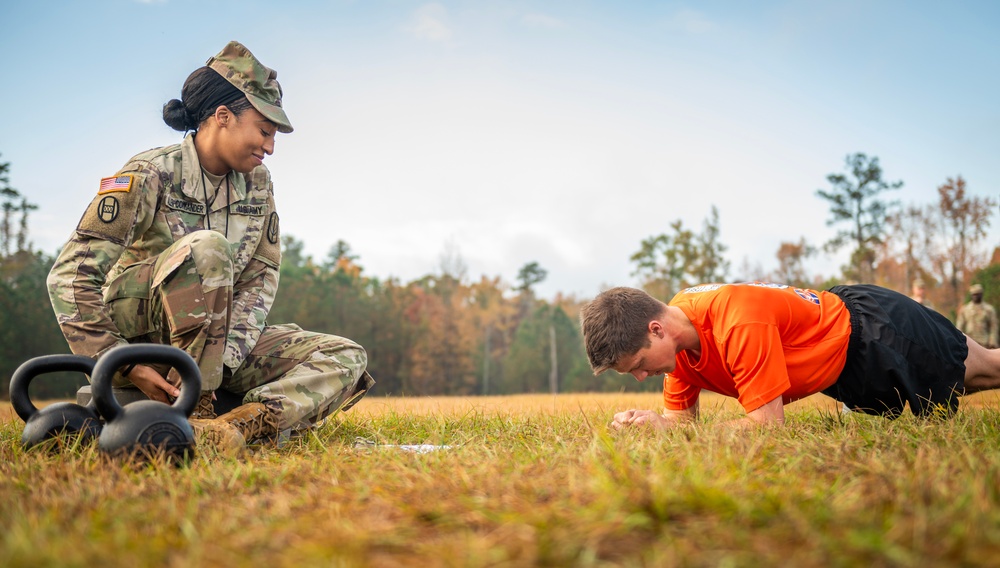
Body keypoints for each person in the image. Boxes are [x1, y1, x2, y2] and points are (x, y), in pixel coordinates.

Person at [47, 41, 374, 450]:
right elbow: (69, 278)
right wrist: (124, 363)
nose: (270, 147)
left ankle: (240, 426)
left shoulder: (258, 184)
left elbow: (260, 278)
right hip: (142, 339)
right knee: (208, 248)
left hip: (221, 343)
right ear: (223, 117)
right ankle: (195, 412)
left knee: (345, 354)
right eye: (264, 131)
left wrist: (224, 359)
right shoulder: (150, 173)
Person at [579, 282, 1000, 430]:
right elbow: (681, 423)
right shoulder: (678, 345)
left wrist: (678, 432)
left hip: (875, 329)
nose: (641, 377)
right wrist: (652, 424)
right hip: (842, 369)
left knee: (987, 372)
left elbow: (767, 427)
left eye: (638, 365)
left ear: (656, 330)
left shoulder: (736, 321)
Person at [956, 283, 998, 348]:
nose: (975, 296)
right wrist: (959, 341)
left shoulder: (989, 309)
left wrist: (992, 341)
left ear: (981, 294)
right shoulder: (965, 309)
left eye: (977, 294)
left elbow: (993, 327)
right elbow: (959, 326)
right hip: (969, 343)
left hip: (984, 343)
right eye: (973, 294)